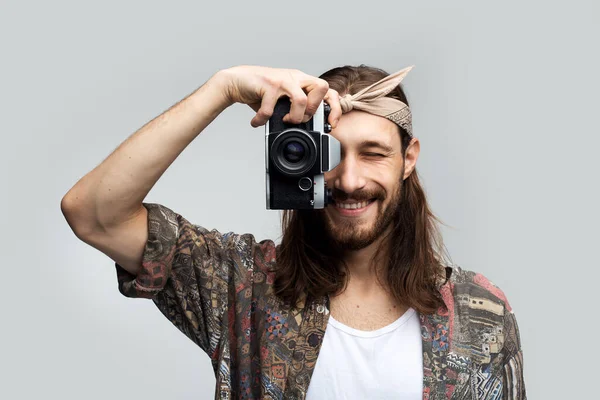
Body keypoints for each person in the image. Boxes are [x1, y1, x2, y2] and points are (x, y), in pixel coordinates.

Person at [61, 64, 526, 399]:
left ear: (409, 159)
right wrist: (222, 88)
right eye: (330, 155)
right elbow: (93, 214)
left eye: (373, 153)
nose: (349, 180)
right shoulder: (244, 286)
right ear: (297, 156)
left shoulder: (479, 312)